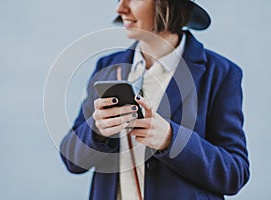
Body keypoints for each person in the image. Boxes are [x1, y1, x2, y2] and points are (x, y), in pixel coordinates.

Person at [60, 0, 250, 199]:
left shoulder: (221, 73)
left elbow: (235, 173)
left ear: (168, 4)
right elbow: (71, 160)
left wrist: (170, 138)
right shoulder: (108, 66)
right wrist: (97, 130)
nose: (120, 8)